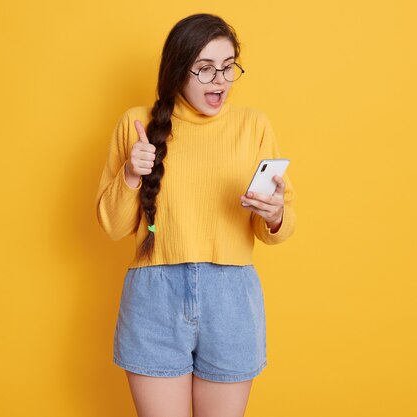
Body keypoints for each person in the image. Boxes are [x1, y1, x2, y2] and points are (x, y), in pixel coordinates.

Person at [95, 13, 295, 417]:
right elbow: (113, 226)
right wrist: (132, 174)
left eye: (227, 67)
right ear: (176, 70)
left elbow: (277, 228)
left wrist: (275, 215)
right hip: (155, 295)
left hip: (232, 297)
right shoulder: (137, 126)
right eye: (205, 69)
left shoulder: (253, 126)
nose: (219, 80)